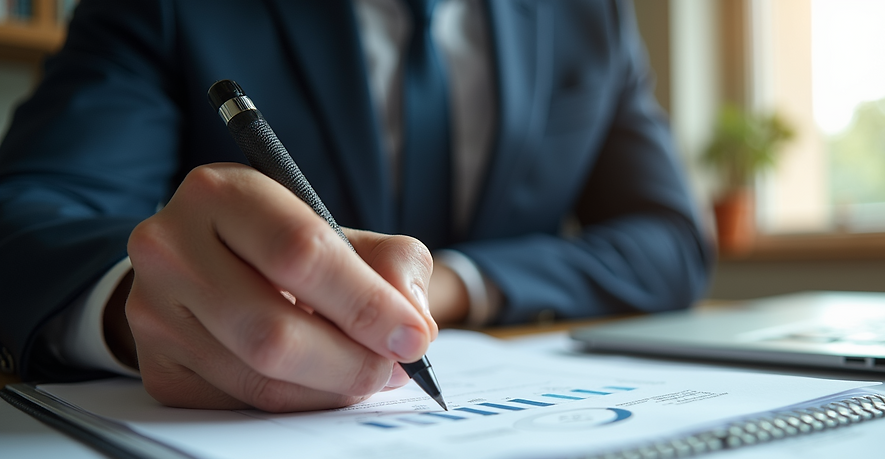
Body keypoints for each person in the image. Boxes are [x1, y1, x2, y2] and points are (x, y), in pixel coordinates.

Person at [0, 0, 712, 411]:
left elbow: (670, 238)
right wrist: (136, 301)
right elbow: (30, 212)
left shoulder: (589, 14)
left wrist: (456, 283)